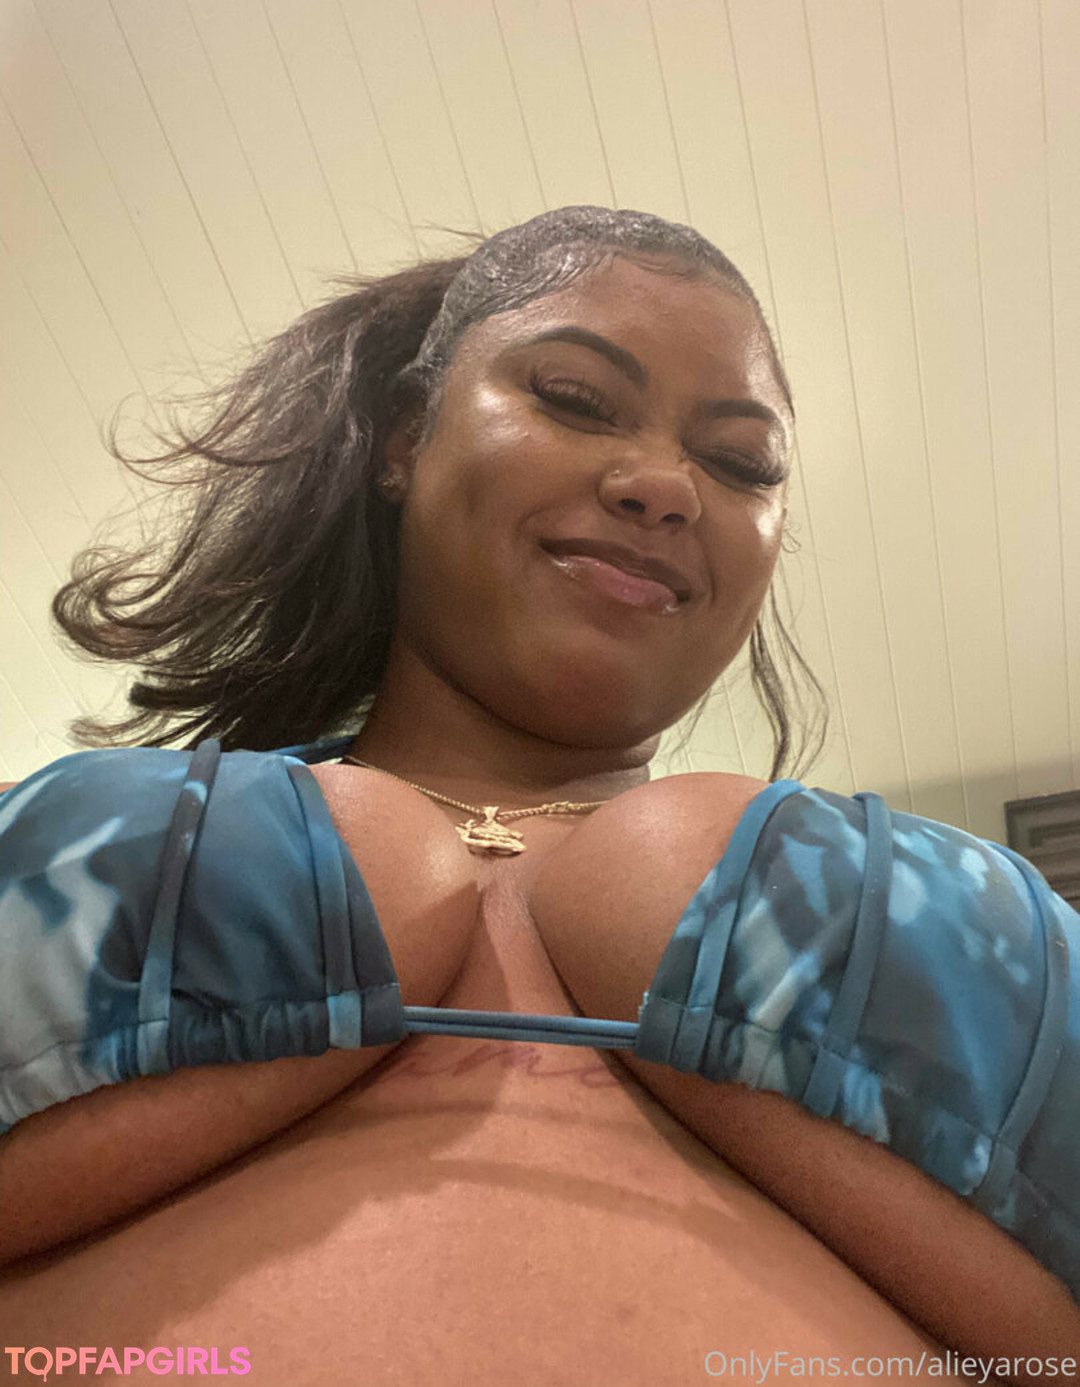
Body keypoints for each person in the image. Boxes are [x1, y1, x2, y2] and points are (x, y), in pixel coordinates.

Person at [0, 206, 1077, 1386]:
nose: (666, 485)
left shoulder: (983, 915)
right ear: (405, 437)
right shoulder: (66, 835)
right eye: (574, 397)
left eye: (741, 464)